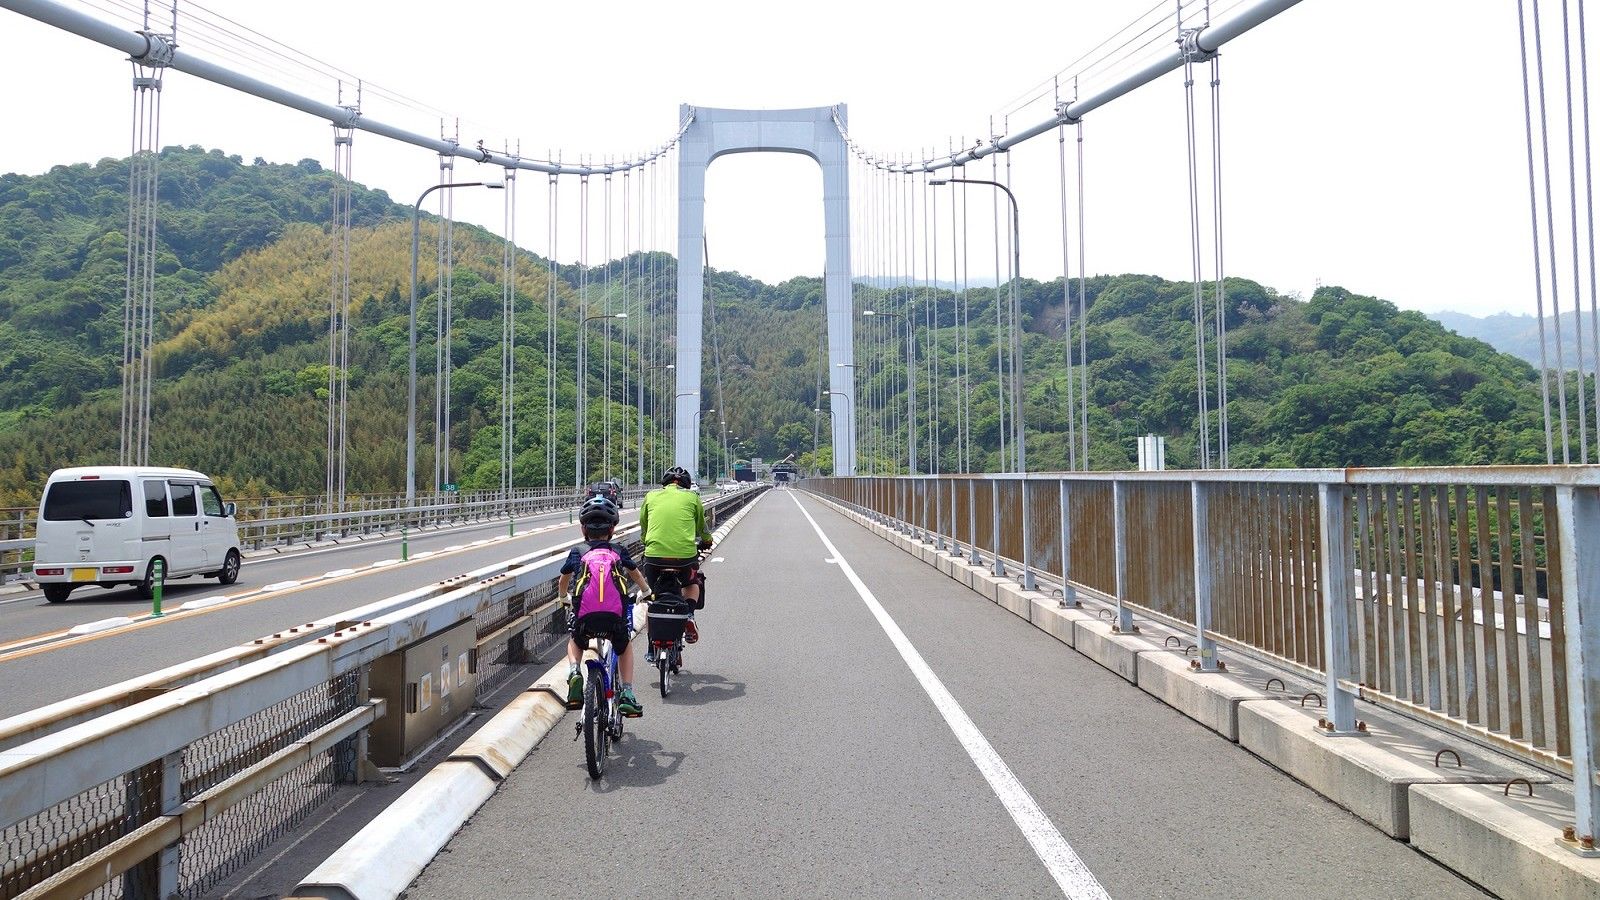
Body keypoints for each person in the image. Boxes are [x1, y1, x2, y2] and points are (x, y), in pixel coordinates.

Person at [559, 496, 652, 717]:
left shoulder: (578, 551)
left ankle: (575, 673)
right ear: (612, 529)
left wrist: (564, 596)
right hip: (614, 616)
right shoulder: (618, 550)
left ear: (584, 529)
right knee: (623, 646)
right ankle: (627, 694)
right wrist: (646, 591)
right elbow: (634, 573)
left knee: (575, 640)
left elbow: (564, 577)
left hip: (586, 616)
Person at [637, 465, 714, 644]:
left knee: (652, 598)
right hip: (684, 557)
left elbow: (644, 527)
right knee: (693, 582)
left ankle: (651, 646)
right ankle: (689, 614)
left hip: (654, 557)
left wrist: (647, 542)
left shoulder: (651, 496)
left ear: (665, 483)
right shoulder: (693, 497)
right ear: (686, 485)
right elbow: (701, 526)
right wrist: (707, 540)